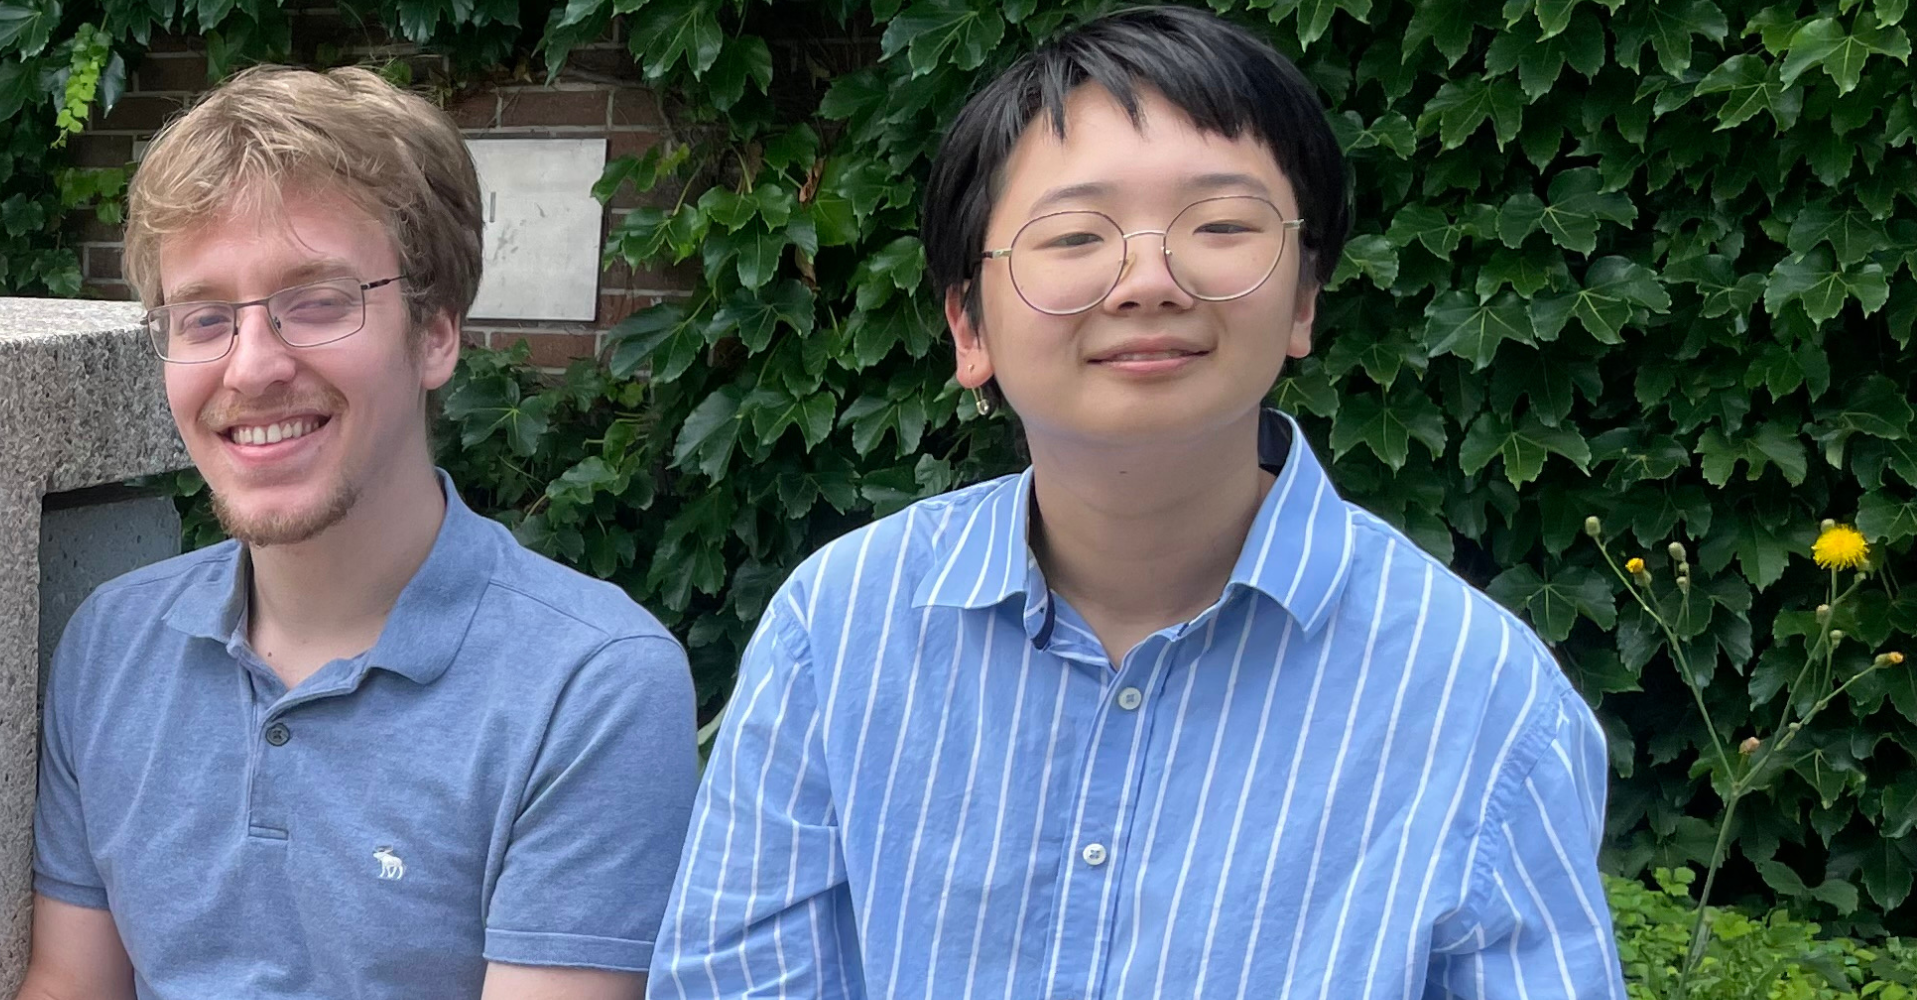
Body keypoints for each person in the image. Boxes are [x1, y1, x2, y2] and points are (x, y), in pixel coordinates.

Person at [650, 8, 1621, 998]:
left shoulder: (1483, 695)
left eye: (1221, 227)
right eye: (1074, 234)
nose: (1148, 280)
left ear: (1301, 301)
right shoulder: (837, 629)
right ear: (967, 327)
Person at [18, 65, 699, 1000]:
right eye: (204, 316)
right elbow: (69, 985)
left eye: (320, 299)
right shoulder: (110, 646)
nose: (252, 367)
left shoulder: (588, 689)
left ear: (436, 333)